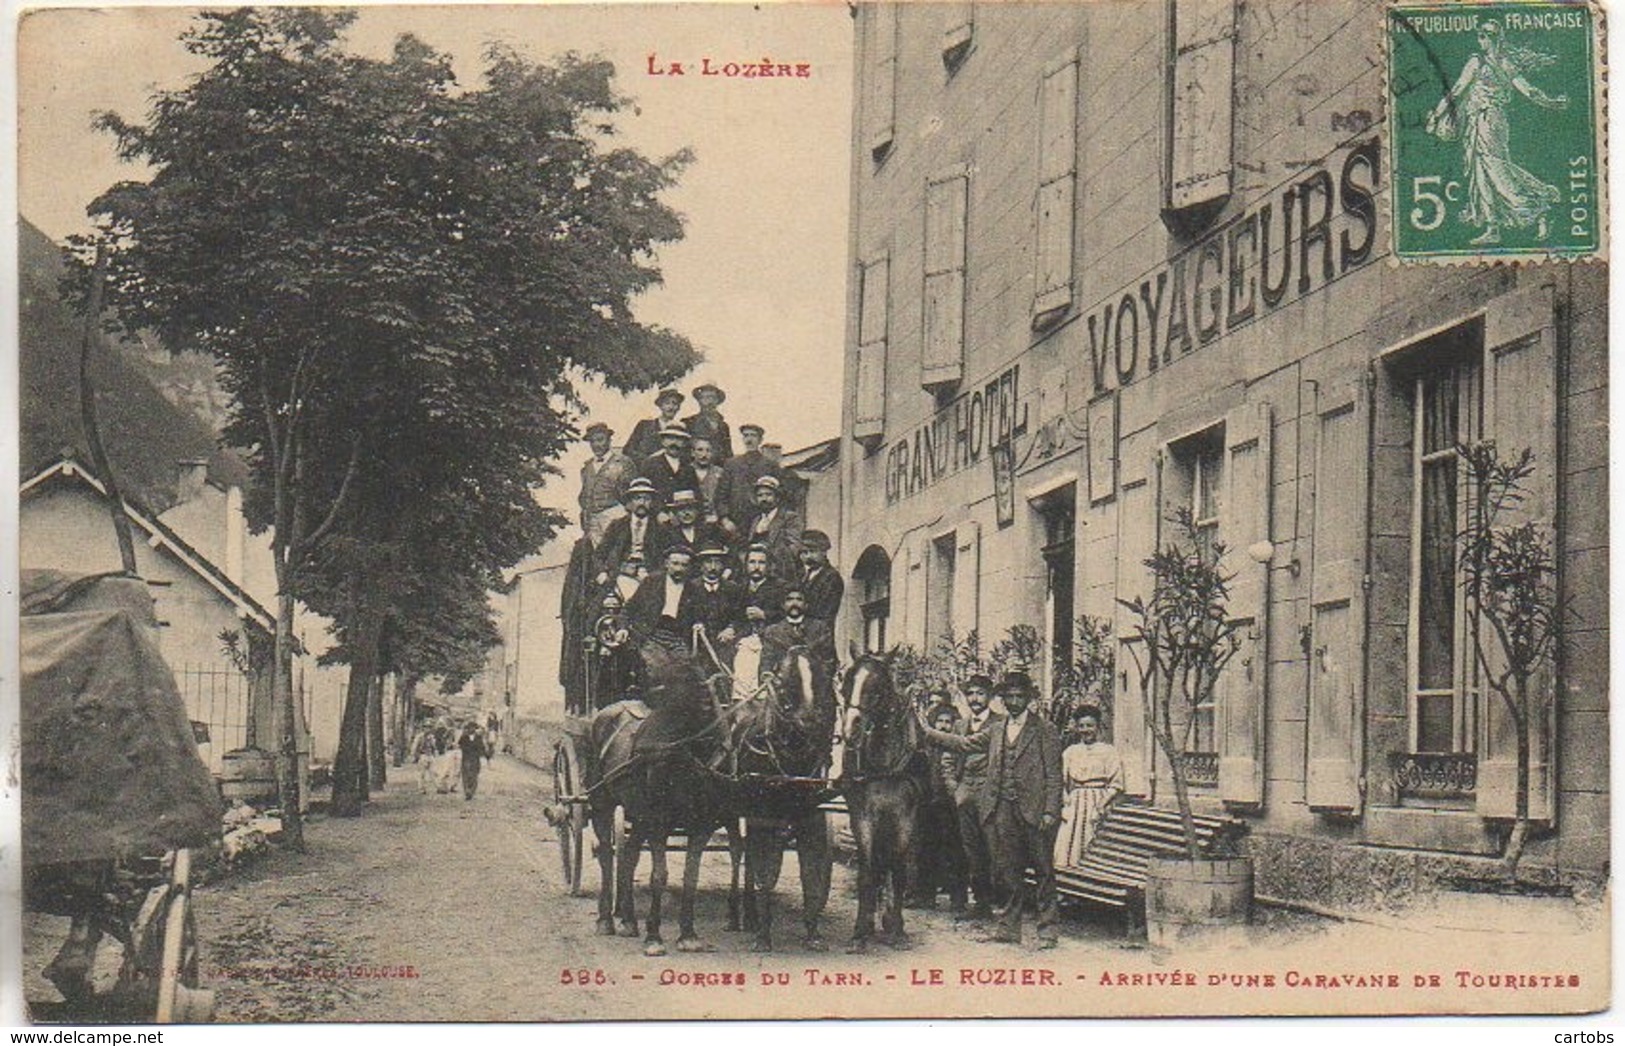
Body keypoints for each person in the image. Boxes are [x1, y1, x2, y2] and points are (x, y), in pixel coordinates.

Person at [917, 672, 1062, 947]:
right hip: (1003, 809)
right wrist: (928, 732)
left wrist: (1050, 811)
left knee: (1044, 871)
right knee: (1009, 870)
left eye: (1021, 696)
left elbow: (1054, 775)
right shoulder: (996, 729)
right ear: (1003, 699)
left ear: (1029, 699)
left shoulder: (1045, 730)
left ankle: (1047, 930)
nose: (1015, 701)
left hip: (1035, 810)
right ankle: (1009, 927)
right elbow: (963, 744)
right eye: (1010, 697)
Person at [1427, 19, 1567, 246]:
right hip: (1476, 121)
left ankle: (1538, 209)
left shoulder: (1491, 62)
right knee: (1481, 171)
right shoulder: (1487, 62)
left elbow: (1526, 90)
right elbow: (1458, 91)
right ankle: (1493, 227)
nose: (1481, 40)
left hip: (1490, 121)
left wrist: (1550, 103)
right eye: (1480, 35)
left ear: (1494, 39)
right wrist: (1437, 113)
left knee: (1496, 169)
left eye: (1484, 36)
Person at [914, 703, 969, 912]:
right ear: (933, 723)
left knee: (955, 851)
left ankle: (958, 899)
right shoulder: (923, 749)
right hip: (927, 805)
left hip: (950, 806)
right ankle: (925, 895)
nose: (944, 726)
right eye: (940, 721)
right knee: (926, 849)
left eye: (948, 722)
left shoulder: (956, 748)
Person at [1054, 708, 1123, 868]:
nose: (1086, 730)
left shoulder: (1108, 751)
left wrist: (1102, 804)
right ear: (1077, 728)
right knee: (1070, 842)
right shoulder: (1070, 752)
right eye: (1082, 726)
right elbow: (1060, 781)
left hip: (1098, 799)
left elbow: (1116, 783)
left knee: (1094, 835)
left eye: (1090, 725)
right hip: (1075, 801)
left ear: (1098, 726)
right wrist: (1066, 802)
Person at [595, 477, 668, 584]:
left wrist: (655, 575)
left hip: (649, 575)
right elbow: (599, 554)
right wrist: (602, 573)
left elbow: (666, 558)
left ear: (652, 502)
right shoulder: (617, 525)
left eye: (646, 499)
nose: (642, 503)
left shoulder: (659, 528)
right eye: (637, 498)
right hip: (620, 572)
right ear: (630, 502)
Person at [759, 585, 835, 677]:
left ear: (806, 605)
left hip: (815, 681)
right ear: (783, 605)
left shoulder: (820, 628)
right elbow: (767, 659)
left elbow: (828, 659)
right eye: (789, 599)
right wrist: (767, 673)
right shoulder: (773, 631)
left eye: (799, 599)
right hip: (783, 683)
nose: (794, 603)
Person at [716, 423, 775, 538]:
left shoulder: (770, 465)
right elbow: (721, 495)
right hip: (735, 523)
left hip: (761, 522)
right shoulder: (732, 464)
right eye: (746, 435)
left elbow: (777, 494)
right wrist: (725, 520)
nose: (749, 439)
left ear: (760, 440)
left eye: (753, 435)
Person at [578, 421, 633, 544]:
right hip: (592, 518)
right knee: (597, 555)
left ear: (609, 440)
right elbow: (584, 493)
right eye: (592, 441)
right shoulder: (587, 467)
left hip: (614, 514)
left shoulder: (622, 462)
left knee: (616, 551)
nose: (596, 445)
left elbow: (631, 493)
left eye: (600, 440)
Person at [740, 475, 803, 581]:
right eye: (760, 495)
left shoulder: (789, 518)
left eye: (768, 495)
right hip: (757, 574)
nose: (764, 499)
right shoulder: (756, 521)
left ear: (777, 497)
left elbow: (794, 548)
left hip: (780, 574)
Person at [640, 425, 702, 516]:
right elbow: (644, 493)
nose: (674, 443)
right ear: (663, 442)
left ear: (684, 443)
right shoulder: (650, 464)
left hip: (683, 517)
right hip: (656, 516)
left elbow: (696, 495)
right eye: (670, 438)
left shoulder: (688, 468)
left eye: (679, 439)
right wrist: (658, 512)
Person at [625, 388, 685, 463]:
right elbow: (628, 450)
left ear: (679, 407)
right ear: (660, 406)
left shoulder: (681, 430)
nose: (671, 407)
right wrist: (648, 460)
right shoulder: (644, 426)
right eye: (667, 403)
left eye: (675, 403)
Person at [798, 530, 844, 625]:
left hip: (819, 635)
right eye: (804, 552)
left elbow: (824, 614)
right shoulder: (803, 577)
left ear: (824, 552)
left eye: (813, 551)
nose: (808, 556)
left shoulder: (831, 577)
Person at [666, 489, 726, 560]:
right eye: (682, 509)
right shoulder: (669, 533)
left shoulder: (710, 530)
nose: (686, 513)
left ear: (696, 510)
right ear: (675, 513)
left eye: (690, 508)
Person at [681, 383, 734, 463]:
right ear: (699, 401)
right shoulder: (689, 422)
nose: (709, 402)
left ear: (717, 401)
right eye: (704, 398)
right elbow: (684, 452)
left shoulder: (723, 426)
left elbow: (728, 452)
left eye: (712, 397)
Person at [690, 435, 725, 521]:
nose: (704, 455)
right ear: (692, 452)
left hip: (716, 518)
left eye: (708, 451)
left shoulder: (720, 473)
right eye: (700, 450)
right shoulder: (685, 472)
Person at [457, 720, 492, 800]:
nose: (471, 729)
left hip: (475, 759)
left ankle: (471, 791)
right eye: (470, 728)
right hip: (466, 758)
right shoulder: (464, 737)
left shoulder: (478, 738)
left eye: (473, 728)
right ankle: (467, 791)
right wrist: (467, 750)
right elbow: (461, 746)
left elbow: (482, 748)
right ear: (468, 729)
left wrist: (486, 755)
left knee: (474, 775)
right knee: (466, 775)